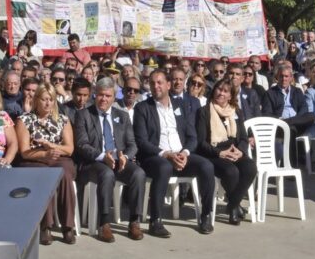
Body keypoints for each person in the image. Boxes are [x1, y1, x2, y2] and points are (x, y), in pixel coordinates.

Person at [133, 69, 216, 236]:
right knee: (164, 167)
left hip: (181, 155)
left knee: (206, 166)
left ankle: (206, 216)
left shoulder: (181, 106)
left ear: (168, 85)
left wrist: (185, 153)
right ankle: (155, 221)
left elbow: (192, 137)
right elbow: (141, 141)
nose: (156, 86)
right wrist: (166, 154)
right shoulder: (143, 108)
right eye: (152, 83)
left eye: (160, 82)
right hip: (156, 157)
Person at [73, 78, 146, 242]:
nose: (104, 99)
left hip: (118, 160)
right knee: (107, 173)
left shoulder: (122, 116)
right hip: (93, 163)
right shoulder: (84, 115)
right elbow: (82, 145)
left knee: (138, 173)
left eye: (108, 96)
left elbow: (132, 144)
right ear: (95, 94)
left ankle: (134, 221)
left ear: (114, 97)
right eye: (101, 95)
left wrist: (125, 157)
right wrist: (102, 157)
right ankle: (104, 223)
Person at [16, 83, 78, 244]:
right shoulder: (25, 120)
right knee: (45, 175)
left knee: (64, 173)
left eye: (51, 99)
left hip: (59, 157)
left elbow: (69, 149)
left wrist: (52, 147)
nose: (48, 103)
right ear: (36, 99)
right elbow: (24, 151)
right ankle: (46, 226)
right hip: (33, 159)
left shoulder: (63, 120)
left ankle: (68, 226)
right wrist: (45, 153)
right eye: (44, 99)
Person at [196, 80, 257, 225]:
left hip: (234, 151)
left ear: (230, 96)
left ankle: (232, 204)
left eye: (225, 91)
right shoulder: (204, 112)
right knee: (231, 172)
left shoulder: (236, 112)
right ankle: (235, 208)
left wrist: (240, 151)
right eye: (219, 89)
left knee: (250, 167)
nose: (221, 93)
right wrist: (220, 153)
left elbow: (243, 138)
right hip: (213, 154)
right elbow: (201, 142)